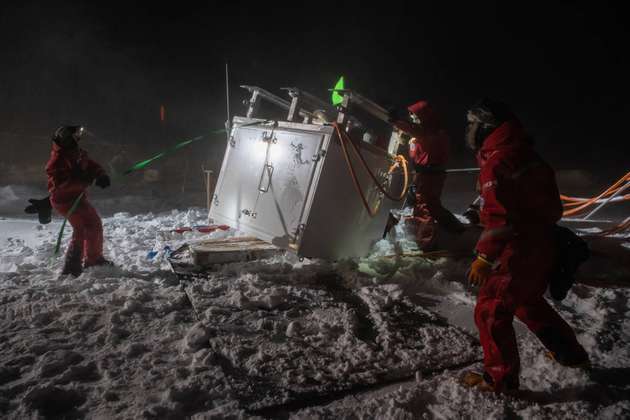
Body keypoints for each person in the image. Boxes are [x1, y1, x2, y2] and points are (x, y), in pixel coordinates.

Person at [463, 99, 589, 393]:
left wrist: (484, 257)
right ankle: (571, 355)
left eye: (471, 124)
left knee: (491, 310)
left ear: (485, 126)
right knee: (526, 302)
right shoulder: (527, 155)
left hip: (516, 250)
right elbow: (552, 207)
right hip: (543, 244)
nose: (468, 130)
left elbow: (499, 217)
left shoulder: (499, 161)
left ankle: (499, 380)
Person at [388, 100, 463, 250]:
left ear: (423, 117)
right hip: (425, 175)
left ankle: (426, 244)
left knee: (426, 208)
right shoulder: (426, 132)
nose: (412, 118)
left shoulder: (430, 132)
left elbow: (417, 132)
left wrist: (396, 121)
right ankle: (455, 229)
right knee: (428, 206)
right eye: (411, 115)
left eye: (414, 115)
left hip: (430, 175)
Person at [46, 125, 112, 277]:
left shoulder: (77, 153)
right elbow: (60, 185)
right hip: (64, 200)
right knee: (81, 228)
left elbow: (91, 164)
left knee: (94, 224)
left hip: (77, 198)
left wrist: (100, 175)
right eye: (75, 137)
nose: (78, 139)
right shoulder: (56, 161)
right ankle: (72, 266)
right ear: (67, 139)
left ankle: (94, 259)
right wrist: (84, 180)